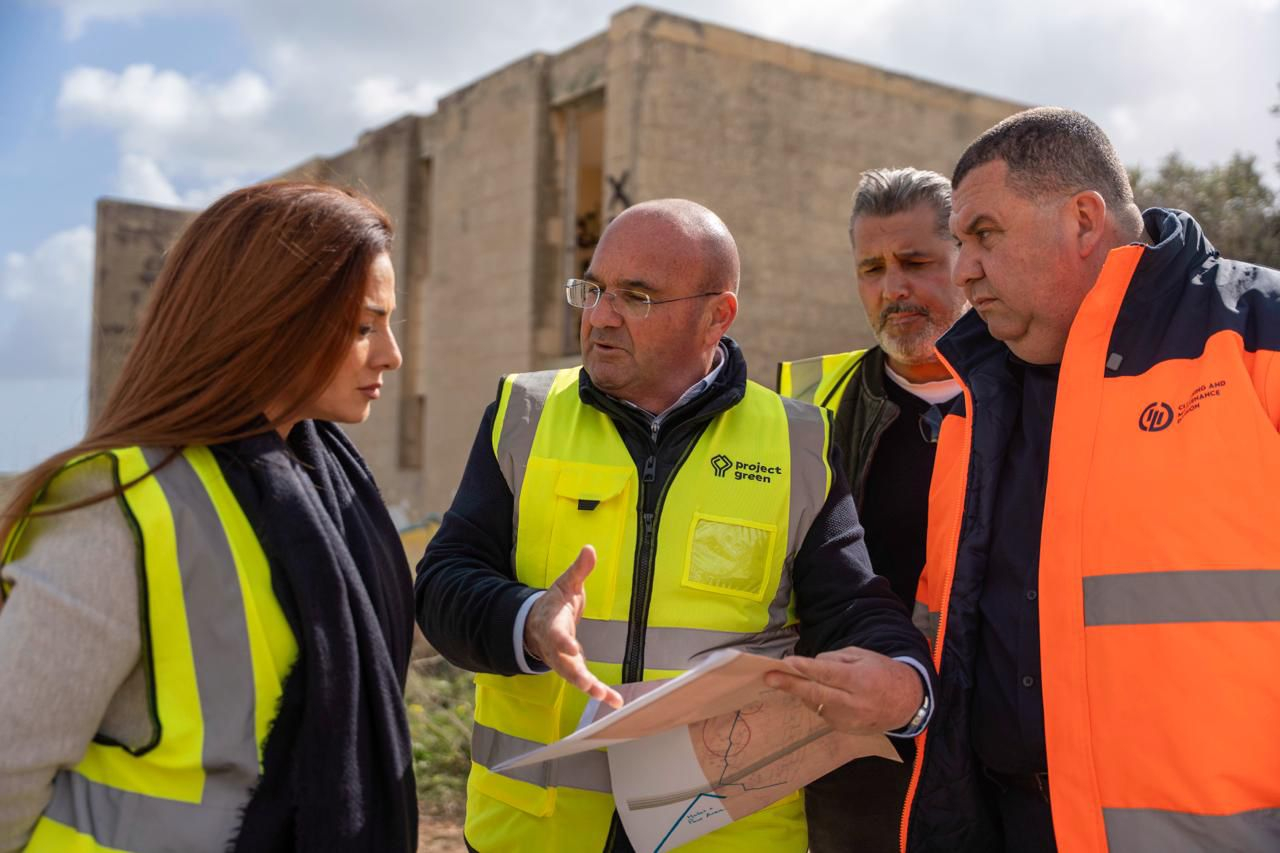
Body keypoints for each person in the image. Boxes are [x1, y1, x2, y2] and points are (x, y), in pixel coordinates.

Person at [415, 198, 935, 852]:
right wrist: (526, 620)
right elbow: (441, 586)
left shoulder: (796, 441)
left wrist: (903, 678)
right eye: (594, 289)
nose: (600, 315)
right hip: (536, 833)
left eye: (635, 296)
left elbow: (854, 606)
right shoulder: (524, 413)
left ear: (717, 314)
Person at [902, 107, 1280, 853]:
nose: (961, 269)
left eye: (985, 235)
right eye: (957, 243)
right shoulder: (970, 400)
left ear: (1083, 220)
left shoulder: (1260, 335)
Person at [0, 182, 418, 852]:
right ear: (272, 319)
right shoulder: (118, 507)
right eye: (365, 326)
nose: (391, 354)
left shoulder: (331, 491)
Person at [779, 168, 966, 853]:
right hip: (855, 766)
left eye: (917, 262)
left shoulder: (1036, 395)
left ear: (967, 258)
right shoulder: (809, 412)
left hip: (1007, 746)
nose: (894, 289)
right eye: (872, 268)